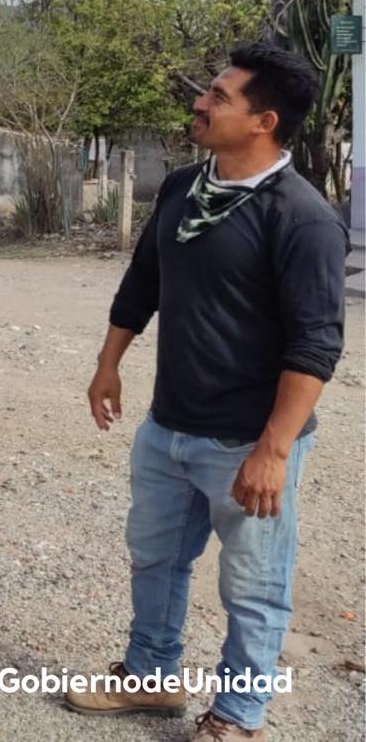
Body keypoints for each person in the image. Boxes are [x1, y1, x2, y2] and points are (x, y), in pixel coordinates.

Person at [67, 43, 347, 740]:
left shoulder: (302, 218)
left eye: (220, 96)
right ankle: (151, 676)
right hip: (168, 429)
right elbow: (144, 282)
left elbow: (315, 345)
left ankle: (239, 715)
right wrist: (110, 363)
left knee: (252, 587)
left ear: (264, 122)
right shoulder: (184, 186)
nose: (201, 101)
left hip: (247, 441)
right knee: (155, 557)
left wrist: (273, 450)